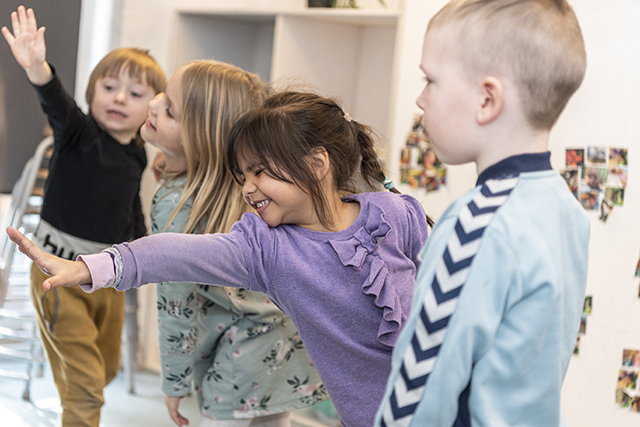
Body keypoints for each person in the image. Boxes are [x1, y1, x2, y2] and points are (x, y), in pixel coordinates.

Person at [7, 91, 431, 427]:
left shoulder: (395, 214)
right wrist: (89, 267)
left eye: (260, 171)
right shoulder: (265, 249)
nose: (248, 187)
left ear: (317, 164)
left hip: (445, 401)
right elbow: (171, 254)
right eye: (242, 175)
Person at [374, 1, 589, 426]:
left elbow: (417, 392)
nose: (420, 99)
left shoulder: (477, 222)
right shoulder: (565, 208)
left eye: (430, 80)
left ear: (487, 99)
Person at [2, 6, 165, 426]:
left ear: (152, 110)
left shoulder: (137, 152)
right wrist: (38, 67)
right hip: (57, 274)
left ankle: (75, 398)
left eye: (134, 93)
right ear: (93, 94)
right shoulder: (78, 133)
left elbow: (130, 207)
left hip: (105, 278)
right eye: (109, 87)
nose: (119, 98)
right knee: (87, 383)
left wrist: (146, 254)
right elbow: (55, 102)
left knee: (104, 369)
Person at [143, 60, 325, 426]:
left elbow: (176, 305)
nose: (153, 104)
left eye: (169, 110)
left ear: (199, 139)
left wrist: (174, 382)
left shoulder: (176, 206)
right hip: (289, 354)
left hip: (239, 368)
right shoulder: (253, 199)